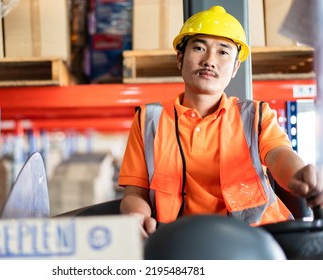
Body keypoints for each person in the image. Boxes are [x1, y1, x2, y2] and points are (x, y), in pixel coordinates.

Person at [118, 5, 323, 238]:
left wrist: (300, 175)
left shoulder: (255, 115)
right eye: (199, 48)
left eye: (223, 52)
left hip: (258, 239)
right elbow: (136, 193)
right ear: (180, 58)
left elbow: (280, 156)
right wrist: (136, 215)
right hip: (182, 242)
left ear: (236, 67)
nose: (209, 60)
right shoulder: (148, 120)